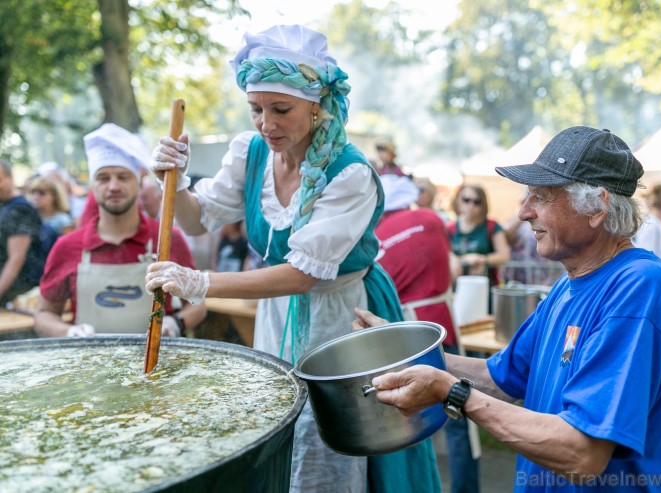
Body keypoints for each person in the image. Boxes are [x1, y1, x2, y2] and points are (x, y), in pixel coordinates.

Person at [145, 24, 440, 493]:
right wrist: (175, 181)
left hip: (343, 316)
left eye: (281, 109)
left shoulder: (350, 173)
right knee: (281, 424)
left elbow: (303, 275)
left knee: (331, 443)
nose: (266, 123)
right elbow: (197, 219)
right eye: (256, 109)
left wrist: (200, 282)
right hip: (276, 312)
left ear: (316, 104)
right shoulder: (252, 152)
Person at [354, 127, 661, 492]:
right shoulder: (568, 285)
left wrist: (451, 392)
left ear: (597, 207)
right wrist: (403, 348)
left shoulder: (640, 288)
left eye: (541, 196)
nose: (523, 212)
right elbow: (501, 378)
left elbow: (582, 454)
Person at [34, 123, 206, 338]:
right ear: (92, 186)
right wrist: (69, 332)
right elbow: (43, 314)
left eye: (123, 177)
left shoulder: (167, 239)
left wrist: (176, 323)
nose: (113, 186)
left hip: (158, 368)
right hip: (88, 366)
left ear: (139, 183)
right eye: (103, 178)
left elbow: (198, 304)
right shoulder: (67, 247)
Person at [375, 174, 479, 493]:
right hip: (442, 322)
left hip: (403, 332)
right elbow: (451, 268)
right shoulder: (431, 219)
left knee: (408, 417)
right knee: (459, 406)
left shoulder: (375, 235)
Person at [0, 159, 43, 306]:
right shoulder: (5, 206)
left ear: (10, 178)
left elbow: (16, 259)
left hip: (16, 294)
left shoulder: (20, 209)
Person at [448, 184, 511, 287]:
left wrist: (482, 259)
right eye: (466, 200)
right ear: (458, 200)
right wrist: (453, 258)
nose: (471, 205)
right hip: (457, 288)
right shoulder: (450, 228)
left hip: (485, 287)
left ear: (483, 205)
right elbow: (444, 252)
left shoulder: (492, 226)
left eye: (477, 202)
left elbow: (504, 256)